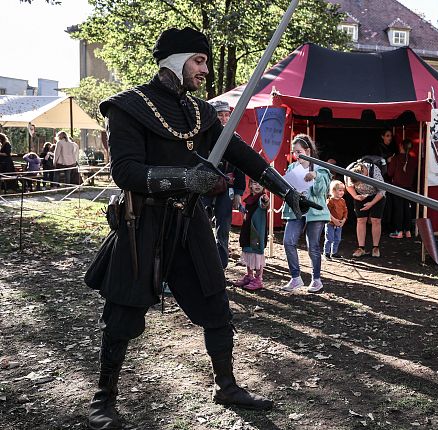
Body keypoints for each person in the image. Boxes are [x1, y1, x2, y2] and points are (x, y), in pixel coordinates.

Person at [84, 28, 319, 429]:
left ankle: (225, 385)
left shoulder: (200, 112)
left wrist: (286, 191)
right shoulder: (128, 107)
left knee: (215, 304)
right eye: (199, 61)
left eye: (206, 62)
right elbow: (124, 171)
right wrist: (185, 178)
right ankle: (103, 400)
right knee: (121, 312)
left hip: (188, 222)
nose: (205, 71)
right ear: (175, 61)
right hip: (142, 222)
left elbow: (242, 153)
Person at [280, 134, 331, 294]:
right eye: (294, 152)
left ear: (308, 151)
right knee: (288, 242)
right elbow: (286, 190)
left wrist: (314, 178)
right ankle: (296, 277)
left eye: (299, 151)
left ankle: (316, 280)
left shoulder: (321, 169)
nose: (296, 155)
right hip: (296, 210)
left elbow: (321, 192)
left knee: (313, 246)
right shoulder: (292, 168)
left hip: (314, 212)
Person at [201, 100, 246, 269]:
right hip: (203, 187)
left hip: (226, 188)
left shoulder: (235, 138)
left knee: (223, 226)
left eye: (227, 114)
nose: (224, 118)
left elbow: (241, 167)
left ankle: (220, 265)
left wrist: (239, 193)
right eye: (220, 114)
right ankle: (203, 259)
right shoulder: (202, 136)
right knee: (201, 223)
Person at [346, 158, 387, 258]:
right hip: (360, 195)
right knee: (360, 220)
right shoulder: (349, 171)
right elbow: (349, 186)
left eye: (359, 182)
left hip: (376, 194)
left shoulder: (374, 171)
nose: (358, 185)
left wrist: (371, 203)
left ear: (364, 175)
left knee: (375, 220)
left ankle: (375, 247)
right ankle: (361, 248)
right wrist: (355, 196)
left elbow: (382, 190)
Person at [233, 180, 269, 291]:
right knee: (248, 252)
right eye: (254, 183)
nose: (257, 185)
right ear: (250, 185)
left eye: (260, 183)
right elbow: (248, 212)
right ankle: (249, 276)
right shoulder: (249, 199)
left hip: (257, 232)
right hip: (247, 230)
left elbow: (264, 205)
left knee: (257, 255)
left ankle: (258, 279)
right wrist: (241, 209)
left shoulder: (261, 198)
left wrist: (265, 200)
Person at [387, 138, 418, 239]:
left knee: (398, 210)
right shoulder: (413, 160)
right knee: (407, 209)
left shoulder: (395, 158)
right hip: (409, 187)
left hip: (398, 187)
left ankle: (399, 232)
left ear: (400, 146)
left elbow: (389, 173)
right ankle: (408, 231)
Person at [325, 179, 348, 259]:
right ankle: (326, 253)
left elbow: (345, 211)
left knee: (337, 239)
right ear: (333, 191)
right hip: (330, 223)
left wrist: (343, 220)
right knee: (329, 239)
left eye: (343, 190)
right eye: (340, 190)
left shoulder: (343, 201)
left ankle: (334, 252)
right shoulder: (330, 201)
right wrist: (334, 220)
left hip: (339, 224)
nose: (342, 192)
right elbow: (327, 211)